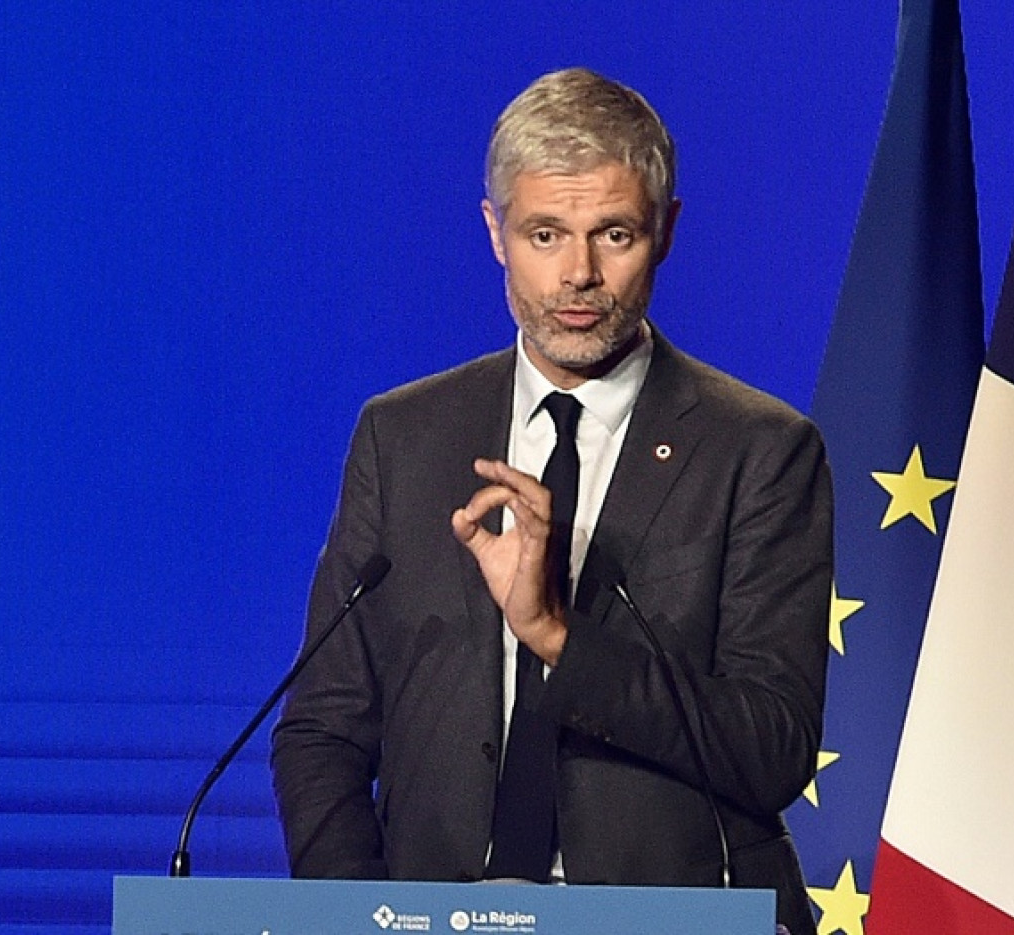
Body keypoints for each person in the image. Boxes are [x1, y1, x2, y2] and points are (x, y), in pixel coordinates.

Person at [270, 67, 831, 935]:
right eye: (544, 233)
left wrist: (559, 638)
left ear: (667, 232)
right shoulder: (405, 436)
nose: (579, 274)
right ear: (494, 232)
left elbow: (771, 748)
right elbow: (324, 730)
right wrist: (361, 916)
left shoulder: (759, 449)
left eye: (614, 233)